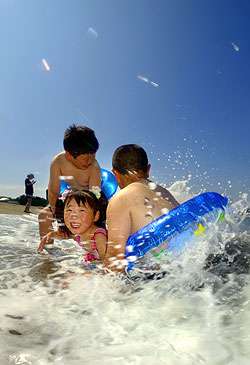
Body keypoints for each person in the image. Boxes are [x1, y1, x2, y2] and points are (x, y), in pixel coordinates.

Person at [103, 144, 179, 274]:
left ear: (115, 173)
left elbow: (115, 261)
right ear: (148, 169)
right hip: (185, 264)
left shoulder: (120, 199)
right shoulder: (165, 193)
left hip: (159, 277)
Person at [38, 124, 101, 245]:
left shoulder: (94, 166)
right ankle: (49, 255)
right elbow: (53, 192)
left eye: (93, 156)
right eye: (86, 159)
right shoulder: (58, 162)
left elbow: (95, 196)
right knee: (43, 216)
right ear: (69, 155)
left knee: (90, 228)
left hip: (88, 199)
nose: (90, 161)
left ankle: (91, 255)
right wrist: (60, 222)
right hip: (68, 197)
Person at [38, 189, 108, 267]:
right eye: (69, 210)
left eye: (81, 210)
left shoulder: (99, 236)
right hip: (93, 261)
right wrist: (51, 235)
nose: (73, 215)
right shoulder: (80, 232)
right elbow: (66, 235)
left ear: (95, 216)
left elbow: (108, 262)